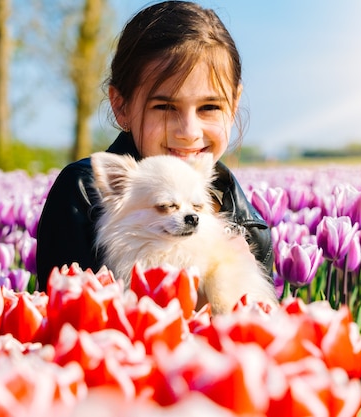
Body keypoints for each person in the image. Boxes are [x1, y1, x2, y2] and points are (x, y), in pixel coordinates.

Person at [35, 0, 273, 291]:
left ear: (234, 106)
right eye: (165, 107)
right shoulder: (85, 193)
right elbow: (69, 318)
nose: (188, 132)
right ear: (121, 106)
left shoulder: (249, 225)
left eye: (209, 107)